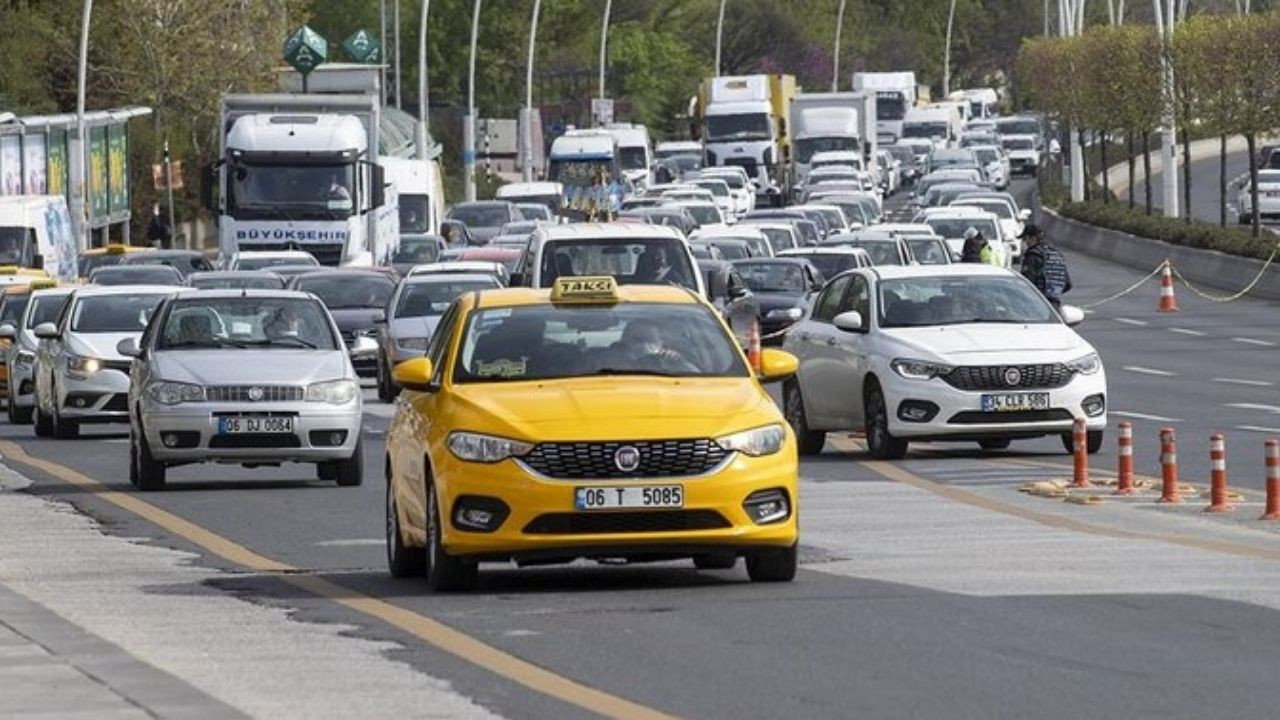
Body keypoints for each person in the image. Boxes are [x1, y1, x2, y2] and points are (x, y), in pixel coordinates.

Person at [1019, 223, 1072, 310]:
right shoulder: (1056, 254)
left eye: (1025, 239)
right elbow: (1067, 284)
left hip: (1036, 306)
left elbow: (1027, 283)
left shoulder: (1032, 256)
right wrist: (1053, 293)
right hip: (1054, 307)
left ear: (1032, 238)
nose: (1024, 242)